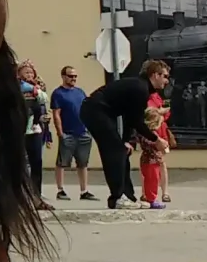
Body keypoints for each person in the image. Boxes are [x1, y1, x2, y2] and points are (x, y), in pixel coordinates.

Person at [82, 58, 169, 209]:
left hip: (102, 112)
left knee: (122, 151)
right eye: (165, 76)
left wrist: (126, 140)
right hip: (95, 110)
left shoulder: (141, 88)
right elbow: (137, 121)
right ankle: (117, 198)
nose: (167, 81)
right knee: (114, 152)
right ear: (155, 75)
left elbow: (129, 117)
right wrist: (156, 140)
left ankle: (128, 196)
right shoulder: (140, 88)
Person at [49, 64, 93, 199]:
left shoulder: (80, 92)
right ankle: (60, 189)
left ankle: (84, 191)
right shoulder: (58, 93)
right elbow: (56, 114)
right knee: (62, 163)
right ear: (63, 77)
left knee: (83, 163)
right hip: (67, 132)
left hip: (83, 132)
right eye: (70, 76)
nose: (73, 78)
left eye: (75, 76)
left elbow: (87, 109)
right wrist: (60, 132)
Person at [16, 61, 54, 209]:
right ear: (19, 74)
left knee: (36, 163)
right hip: (19, 131)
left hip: (35, 129)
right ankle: (19, 197)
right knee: (20, 165)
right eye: (26, 72)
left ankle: (36, 197)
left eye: (31, 72)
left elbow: (44, 100)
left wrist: (36, 90)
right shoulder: (16, 87)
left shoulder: (38, 87)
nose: (29, 75)